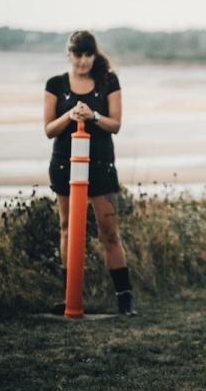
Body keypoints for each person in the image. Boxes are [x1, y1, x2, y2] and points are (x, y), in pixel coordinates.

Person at [43, 30, 136, 316]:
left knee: (109, 232)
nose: (83, 61)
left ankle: (125, 300)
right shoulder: (56, 84)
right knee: (68, 228)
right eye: (78, 55)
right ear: (68, 55)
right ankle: (70, 295)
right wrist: (69, 115)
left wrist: (93, 116)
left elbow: (116, 124)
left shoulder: (108, 81)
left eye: (88, 55)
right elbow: (49, 130)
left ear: (94, 55)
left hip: (101, 164)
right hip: (65, 163)